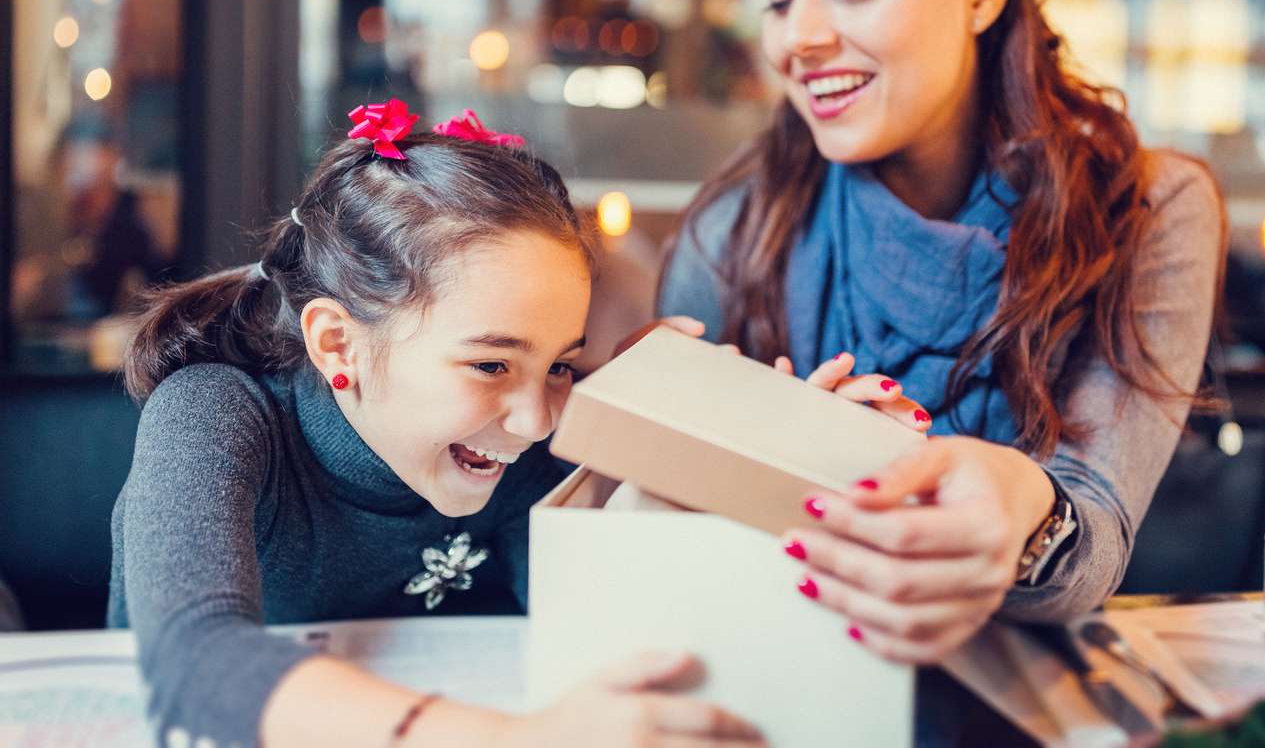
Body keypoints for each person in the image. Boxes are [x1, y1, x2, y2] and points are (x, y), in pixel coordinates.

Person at [658, 0, 1225, 744]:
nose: (799, 38)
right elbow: (668, 545)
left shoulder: (1148, 208)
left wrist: (1021, 506)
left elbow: (1094, 531)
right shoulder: (738, 225)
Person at [110, 103, 771, 748]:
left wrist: (720, 454)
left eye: (559, 366)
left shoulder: (518, 442)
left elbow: (609, 636)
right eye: (490, 364)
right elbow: (193, 658)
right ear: (338, 344)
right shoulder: (214, 414)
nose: (536, 420)